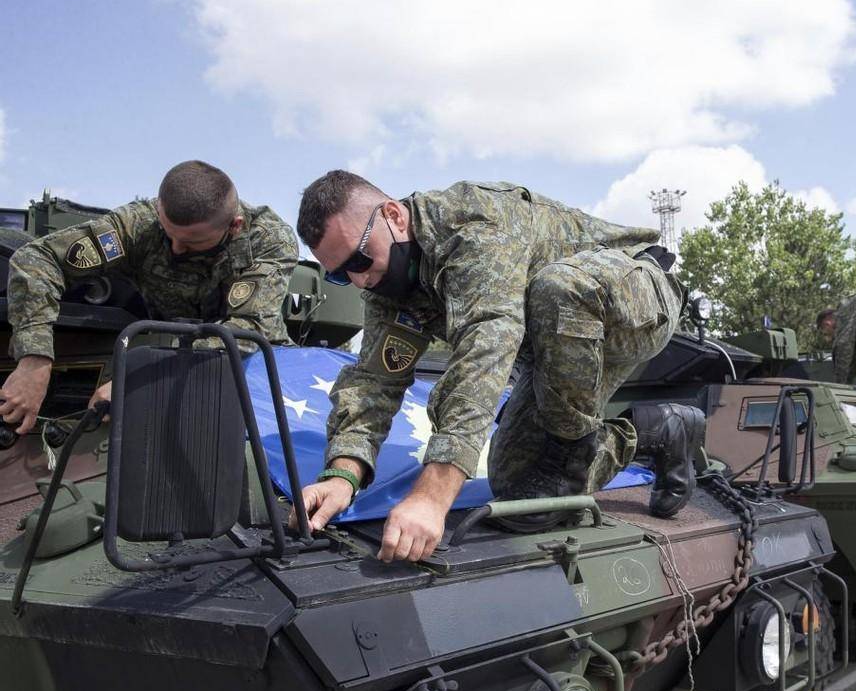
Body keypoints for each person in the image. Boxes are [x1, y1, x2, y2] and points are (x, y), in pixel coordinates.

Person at [294, 172, 687, 563]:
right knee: (519, 493)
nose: (359, 281)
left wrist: (432, 497)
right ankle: (656, 429)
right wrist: (343, 475)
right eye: (338, 275)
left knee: (558, 289)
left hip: (635, 298)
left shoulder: (473, 224)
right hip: (552, 348)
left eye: (360, 259)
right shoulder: (385, 282)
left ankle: (572, 449)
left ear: (394, 216)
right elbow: (374, 381)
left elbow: (485, 349)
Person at [1, 160, 298, 433]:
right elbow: (36, 258)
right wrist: (35, 358)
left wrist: (138, 375)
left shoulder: (268, 239)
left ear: (234, 226)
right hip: (158, 349)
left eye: (192, 242)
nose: (176, 249)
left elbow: (247, 331)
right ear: (159, 208)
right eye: (169, 235)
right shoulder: (138, 224)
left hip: (245, 371)